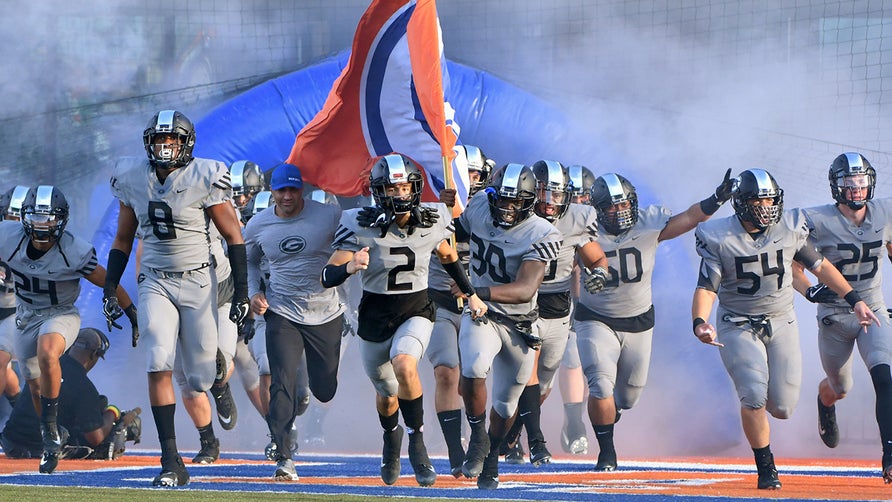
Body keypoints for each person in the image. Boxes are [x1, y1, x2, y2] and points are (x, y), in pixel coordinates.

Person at [692, 168, 879, 490]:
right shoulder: (718, 235)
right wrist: (699, 322)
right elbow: (707, 286)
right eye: (757, 201)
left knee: (781, 407)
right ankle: (766, 468)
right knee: (753, 395)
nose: (766, 207)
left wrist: (855, 300)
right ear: (741, 203)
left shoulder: (789, 228)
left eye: (770, 200)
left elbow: (819, 266)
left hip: (781, 321)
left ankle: (772, 416)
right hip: (737, 322)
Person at [102, 110, 250, 487]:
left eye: (173, 140)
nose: (165, 146)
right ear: (149, 143)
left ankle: (217, 381)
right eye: (160, 140)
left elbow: (234, 236)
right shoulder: (132, 176)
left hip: (199, 279)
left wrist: (242, 294)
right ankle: (171, 460)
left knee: (198, 379)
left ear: (187, 143)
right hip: (155, 280)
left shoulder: (206, 175)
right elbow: (122, 238)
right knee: (158, 360)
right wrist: (110, 288)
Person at [321, 153, 486, 488]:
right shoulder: (357, 222)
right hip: (374, 317)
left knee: (405, 363)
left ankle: (417, 441)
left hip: (416, 308)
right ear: (378, 191)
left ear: (415, 187)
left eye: (404, 187)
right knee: (387, 394)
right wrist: (350, 267)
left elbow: (449, 256)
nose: (399, 194)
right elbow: (327, 275)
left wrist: (471, 293)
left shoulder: (433, 217)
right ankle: (391, 438)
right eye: (391, 188)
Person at [575, 169, 734, 473]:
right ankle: (606, 452)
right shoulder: (584, 228)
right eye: (612, 206)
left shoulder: (648, 222)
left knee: (628, 397)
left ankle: (613, 412)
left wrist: (716, 200)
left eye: (624, 204)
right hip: (595, 318)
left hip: (638, 321)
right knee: (600, 384)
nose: (620, 211)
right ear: (597, 209)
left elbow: (689, 217)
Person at [0, 185, 136, 474]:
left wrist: (131, 313)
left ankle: (49, 435)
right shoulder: (6, 236)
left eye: (49, 218)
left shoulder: (73, 250)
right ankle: (51, 429)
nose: (42, 225)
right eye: (36, 217)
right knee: (34, 386)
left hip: (61, 313)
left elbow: (107, 280)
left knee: (48, 352)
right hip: (26, 315)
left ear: (61, 220)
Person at [450, 163, 562, 490]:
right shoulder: (479, 204)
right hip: (482, 315)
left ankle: (493, 455)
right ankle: (477, 437)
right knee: (472, 367)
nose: (508, 208)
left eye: (517, 202)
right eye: (504, 200)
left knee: (505, 404)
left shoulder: (543, 232)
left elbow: (526, 288)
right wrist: (446, 212)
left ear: (530, 201)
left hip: (519, 322)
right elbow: (456, 233)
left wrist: (475, 290)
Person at [792, 153, 892, 483]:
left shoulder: (885, 213)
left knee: (885, 378)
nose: (857, 190)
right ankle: (826, 403)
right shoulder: (816, 219)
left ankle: (889, 455)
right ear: (837, 186)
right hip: (834, 316)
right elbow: (792, 262)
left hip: (873, 311)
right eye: (850, 184)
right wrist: (808, 291)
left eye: (862, 182)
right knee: (840, 387)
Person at [500, 160, 608, 467]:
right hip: (521, 303)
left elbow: (594, 257)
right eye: (545, 193)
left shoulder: (577, 219)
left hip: (558, 308)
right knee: (525, 375)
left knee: (543, 385)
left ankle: (510, 436)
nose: (550, 201)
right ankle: (534, 441)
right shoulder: (514, 213)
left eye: (558, 194)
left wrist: (599, 272)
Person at [246, 163, 345, 481]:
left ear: (301, 189)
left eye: (293, 189)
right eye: (281, 190)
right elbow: (248, 262)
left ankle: (313, 399)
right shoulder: (258, 224)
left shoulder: (327, 214)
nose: (287, 196)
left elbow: (352, 240)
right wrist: (254, 292)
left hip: (325, 311)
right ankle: (284, 456)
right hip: (282, 312)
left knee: (324, 389)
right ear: (271, 191)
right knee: (281, 383)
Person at [426, 144, 492, 476]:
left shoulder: (495, 210)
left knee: (472, 376)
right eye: (462, 175)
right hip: (436, 299)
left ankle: (482, 437)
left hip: (476, 304)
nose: (467, 182)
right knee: (446, 372)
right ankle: (455, 450)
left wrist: (473, 287)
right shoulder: (431, 207)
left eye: (474, 175)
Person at [0, 328, 141, 461]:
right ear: (93, 355)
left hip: (10, 441)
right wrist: (112, 412)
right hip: (39, 448)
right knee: (96, 429)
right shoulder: (83, 386)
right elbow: (95, 437)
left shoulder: (45, 365)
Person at [558, 164, 596, 455]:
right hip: (563, 300)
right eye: (573, 198)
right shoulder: (554, 222)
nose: (579, 204)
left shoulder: (602, 222)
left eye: (584, 198)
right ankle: (574, 423)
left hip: (601, 302)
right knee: (571, 358)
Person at [0, 185, 29, 414]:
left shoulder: (40, 242)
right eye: (11, 216)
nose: (14, 223)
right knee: (3, 365)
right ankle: (20, 412)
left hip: (19, 310)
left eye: (19, 217)